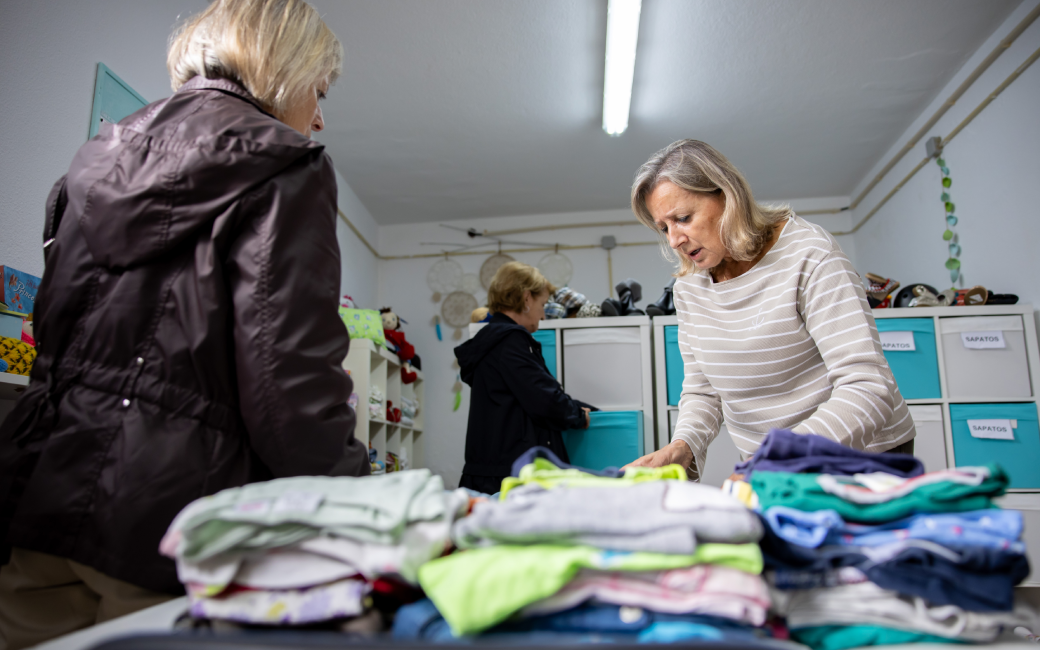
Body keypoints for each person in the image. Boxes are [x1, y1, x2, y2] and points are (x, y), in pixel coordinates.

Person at [0, 1, 368, 646]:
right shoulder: (288, 168)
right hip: (172, 512)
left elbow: (53, 339)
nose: (318, 115)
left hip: (34, 489)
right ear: (285, 68)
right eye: (319, 89)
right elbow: (287, 377)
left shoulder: (85, 166)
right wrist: (354, 496)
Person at [624, 140, 914, 479]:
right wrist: (682, 445)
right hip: (771, 468)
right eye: (664, 228)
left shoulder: (808, 253)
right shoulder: (690, 288)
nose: (674, 239)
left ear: (728, 196)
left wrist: (779, 460)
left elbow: (868, 386)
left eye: (683, 218)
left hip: (861, 456)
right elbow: (704, 389)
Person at [455, 262, 595, 494]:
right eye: (542, 304)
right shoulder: (510, 341)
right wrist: (578, 415)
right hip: (511, 476)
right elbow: (543, 399)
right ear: (526, 298)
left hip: (493, 471)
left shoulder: (492, 342)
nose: (542, 314)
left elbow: (526, 395)